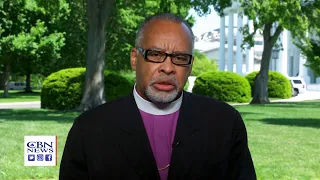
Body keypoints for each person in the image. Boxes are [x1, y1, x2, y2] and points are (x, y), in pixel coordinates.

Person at [59, 13, 256, 180]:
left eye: (179, 58)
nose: (168, 68)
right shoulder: (89, 129)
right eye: (155, 54)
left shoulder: (225, 122)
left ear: (190, 65)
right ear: (135, 59)